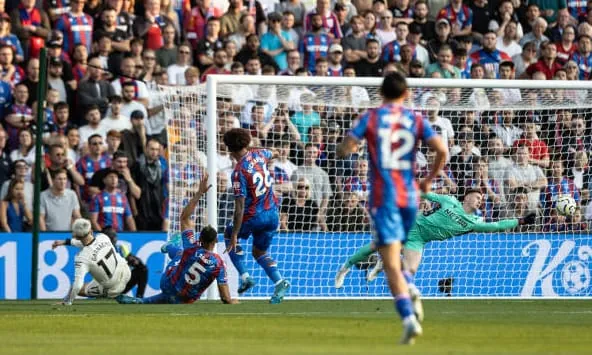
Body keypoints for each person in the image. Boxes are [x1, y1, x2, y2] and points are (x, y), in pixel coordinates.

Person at [335, 72, 447, 345]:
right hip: (410, 197)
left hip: (383, 197)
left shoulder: (371, 117)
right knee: (395, 257)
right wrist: (428, 180)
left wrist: (347, 145)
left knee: (390, 264)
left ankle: (409, 318)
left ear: (380, 94)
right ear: (406, 93)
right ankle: (410, 285)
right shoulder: (416, 118)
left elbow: (345, 150)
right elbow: (442, 150)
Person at [335, 190, 537, 297]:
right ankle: (345, 268)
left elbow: (496, 226)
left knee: (410, 270)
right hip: (412, 224)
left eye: (482, 200)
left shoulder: (475, 222)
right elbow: (426, 194)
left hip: (420, 239)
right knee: (375, 246)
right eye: (477, 197)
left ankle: (385, 263)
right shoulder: (450, 201)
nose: (479, 201)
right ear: (467, 196)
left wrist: (520, 221)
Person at [116, 174, 236, 304]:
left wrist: (199, 193)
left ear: (200, 238)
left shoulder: (191, 246)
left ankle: (168, 248)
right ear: (216, 241)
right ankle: (143, 301)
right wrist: (233, 301)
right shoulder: (219, 263)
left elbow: (184, 218)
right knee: (183, 264)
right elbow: (225, 298)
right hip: (185, 300)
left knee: (181, 253)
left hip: (167, 284)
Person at [223, 128, 290, 304]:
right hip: (272, 214)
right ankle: (279, 282)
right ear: (247, 142)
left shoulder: (238, 172)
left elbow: (239, 207)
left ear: (229, 149)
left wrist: (236, 234)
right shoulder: (260, 154)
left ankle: (245, 277)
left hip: (253, 216)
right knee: (259, 251)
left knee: (229, 235)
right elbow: (273, 152)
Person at [51, 218, 131, 305]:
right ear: (91, 231)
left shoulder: (82, 258)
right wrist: (65, 242)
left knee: (75, 289)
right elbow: (89, 242)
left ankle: (116, 295)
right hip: (126, 272)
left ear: (76, 236)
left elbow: (77, 285)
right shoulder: (103, 237)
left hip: (114, 288)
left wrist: (68, 302)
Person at [102, 226, 148, 298]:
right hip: (108, 284)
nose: (114, 237)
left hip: (121, 282)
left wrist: (134, 261)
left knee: (143, 269)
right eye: (111, 235)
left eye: (114, 235)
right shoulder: (101, 251)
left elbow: (133, 259)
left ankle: (139, 297)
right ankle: (106, 294)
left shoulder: (120, 248)